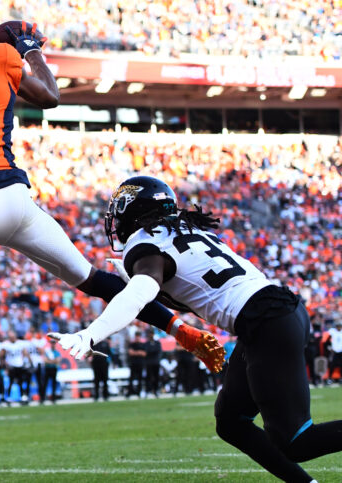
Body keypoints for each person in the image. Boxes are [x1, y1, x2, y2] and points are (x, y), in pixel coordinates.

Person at [0, 2, 223, 441]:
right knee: (89, 278)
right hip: (16, 202)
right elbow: (48, 96)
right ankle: (182, 329)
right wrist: (28, 49)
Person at [51, 175, 342, 483]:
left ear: (131, 211)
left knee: (296, 441)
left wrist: (90, 333)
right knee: (231, 421)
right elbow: (183, 287)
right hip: (278, 311)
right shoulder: (184, 229)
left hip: (267, 322)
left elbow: (139, 296)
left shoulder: (146, 245)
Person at [126, 331, 146, 398]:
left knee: (140, 378)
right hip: (133, 363)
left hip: (140, 363)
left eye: (138, 336)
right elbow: (130, 353)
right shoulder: (132, 344)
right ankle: (129, 392)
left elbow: (144, 354)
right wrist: (139, 352)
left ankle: (139, 392)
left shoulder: (143, 345)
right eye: (136, 336)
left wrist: (135, 352)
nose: (137, 337)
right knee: (131, 378)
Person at [41, 339, 61, 403]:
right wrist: (53, 361)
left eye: (53, 343)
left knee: (54, 384)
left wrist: (50, 361)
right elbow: (45, 360)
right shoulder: (47, 352)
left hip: (53, 369)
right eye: (51, 343)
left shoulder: (56, 352)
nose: (52, 344)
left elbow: (58, 361)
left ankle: (53, 398)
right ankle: (43, 398)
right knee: (45, 384)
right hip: (47, 369)